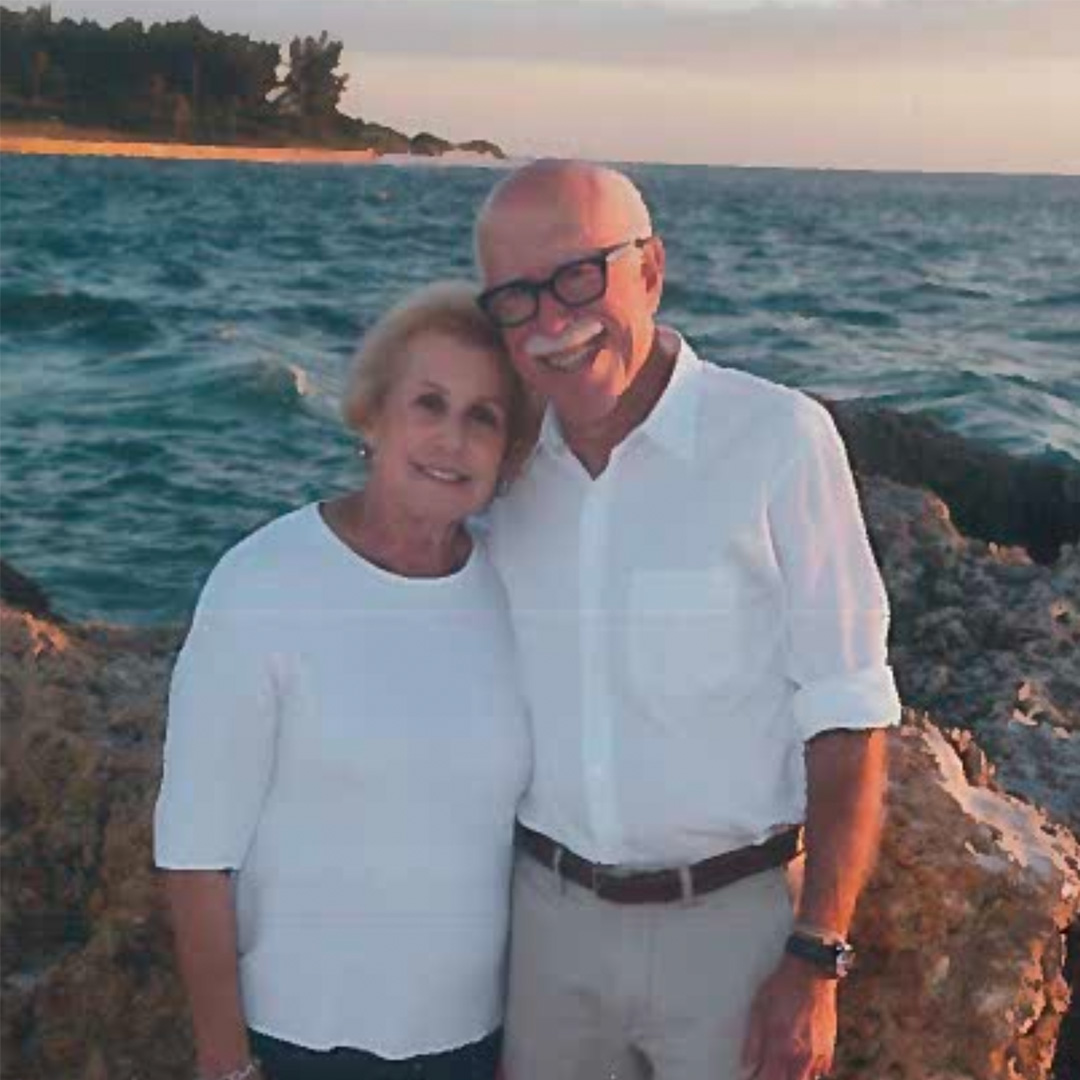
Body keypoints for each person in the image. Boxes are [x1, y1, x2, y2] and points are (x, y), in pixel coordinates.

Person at [473, 160, 902, 1080]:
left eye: (579, 276)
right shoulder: (499, 468)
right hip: (545, 930)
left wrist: (818, 953)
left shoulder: (778, 440)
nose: (552, 320)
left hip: (733, 933)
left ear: (651, 270)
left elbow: (849, 709)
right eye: (515, 298)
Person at [154, 282, 533, 1080]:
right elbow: (194, 849)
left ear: (508, 455)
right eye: (428, 404)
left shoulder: (518, 589)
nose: (451, 439)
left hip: (475, 1044)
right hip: (298, 1042)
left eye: (483, 417)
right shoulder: (262, 582)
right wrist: (225, 1062)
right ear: (371, 416)